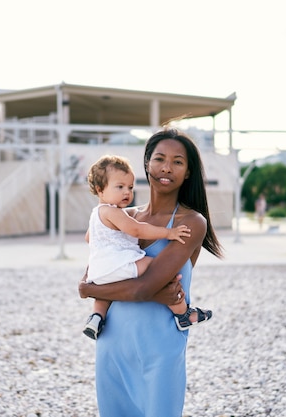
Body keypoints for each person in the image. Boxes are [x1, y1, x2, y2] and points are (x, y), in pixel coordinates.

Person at [78, 127, 223, 417]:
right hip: (113, 343)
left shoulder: (191, 223)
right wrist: (154, 292)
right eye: (159, 158)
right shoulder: (123, 216)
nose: (167, 167)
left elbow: (140, 288)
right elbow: (96, 267)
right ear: (146, 164)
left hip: (160, 347)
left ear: (188, 172)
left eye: (178, 161)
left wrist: (89, 291)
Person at [82, 154, 213, 340]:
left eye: (130, 187)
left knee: (104, 294)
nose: (127, 192)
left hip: (98, 270)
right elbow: (136, 229)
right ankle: (183, 315)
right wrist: (168, 233)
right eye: (120, 187)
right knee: (161, 271)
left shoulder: (96, 215)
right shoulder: (112, 211)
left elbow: (89, 237)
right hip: (121, 263)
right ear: (100, 190)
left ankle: (96, 317)